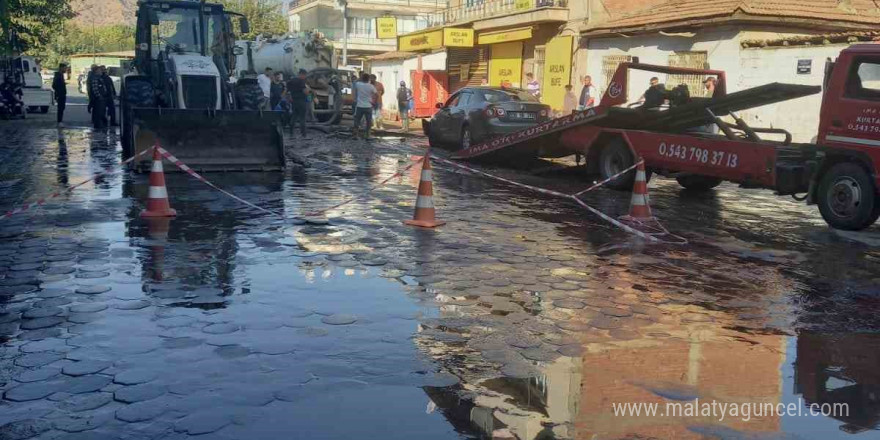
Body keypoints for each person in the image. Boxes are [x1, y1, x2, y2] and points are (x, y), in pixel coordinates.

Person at [352, 72, 377, 140]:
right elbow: (376, 94)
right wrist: (373, 102)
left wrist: (360, 78)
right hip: (368, 106)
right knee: (368, 121)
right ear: (368, 79)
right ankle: (367, 135)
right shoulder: (371, 86)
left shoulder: (358, 84)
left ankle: (355, 135)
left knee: (357, 120)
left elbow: (355, 81)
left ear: (362, 79)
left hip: (359, 106)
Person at [286, 69, 310, 138]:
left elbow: (288, 91)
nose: (305, 77)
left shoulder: (291, 81)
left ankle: (291, 134)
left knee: (294, 117)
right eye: (305, 75)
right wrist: (309, 92)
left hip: (294, 101)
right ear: (302, 74)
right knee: (302, 118)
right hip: (301, 101)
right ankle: (304, 135)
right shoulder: (301, 81)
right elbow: (305, 92)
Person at [87, 65, 108, 129]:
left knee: (101, 112)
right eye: (99, 70)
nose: (101, 71)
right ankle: (98, 126)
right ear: (96, 71)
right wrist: (99, 96)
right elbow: (95, 89)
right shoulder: (95, 79)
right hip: (98, 99)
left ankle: (101, 125)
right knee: (98, 113)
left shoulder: (100, 78)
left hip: (102, 98)